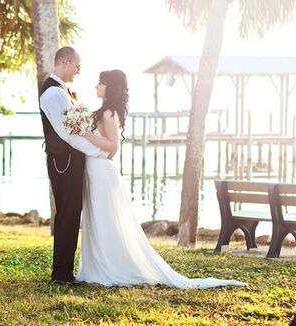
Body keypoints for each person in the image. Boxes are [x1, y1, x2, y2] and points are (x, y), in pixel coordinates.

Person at [76, 69, 247, 288]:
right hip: (94, 171)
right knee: (96, 220)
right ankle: (96, 267)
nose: (96, 86)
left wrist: (88, 137)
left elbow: (112, 147)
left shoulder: (110, 114)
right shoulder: (102, 112)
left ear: (110, 86)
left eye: (100, 83)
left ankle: (108, 268)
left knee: (104, 221)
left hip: (102, 174)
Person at [39, 46, 107, 285]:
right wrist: (97, 151)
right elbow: (68, 133)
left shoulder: (63, 91)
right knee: (68, 214)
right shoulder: (53, 94)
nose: (79, 71)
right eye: (77, 66)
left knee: (71, 214)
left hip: (70, 161)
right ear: (65, 62)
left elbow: (76, 128)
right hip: (63, 162)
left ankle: (64, 272)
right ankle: (61, 274)